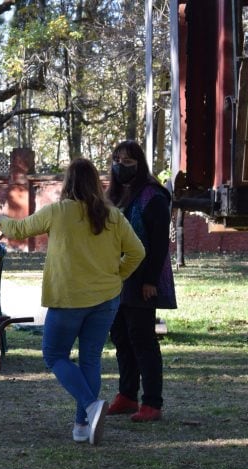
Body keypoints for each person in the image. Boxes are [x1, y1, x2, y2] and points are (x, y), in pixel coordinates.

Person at [0, 158, 145, 445]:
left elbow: (19, 230)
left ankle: (89, 406)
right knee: (90, 359)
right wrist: (117, 277)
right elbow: (137, 252)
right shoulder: (114, 216)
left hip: (68, 299)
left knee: (54, 355)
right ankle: (82, 426)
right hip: (106, 299)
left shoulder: (58, 212)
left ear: (68, 183)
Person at [106, 141, 177, 422]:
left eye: (127, 160)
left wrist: (150, 281)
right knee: (121, 336)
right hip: (116, 278)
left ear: (139, 163)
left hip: (142, 278)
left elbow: (159, 244)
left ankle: (152, 402)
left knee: (142, 339)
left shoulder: (152, 196)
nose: (121, 165)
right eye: (117, 159)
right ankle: (127, 395)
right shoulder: (113, 195)